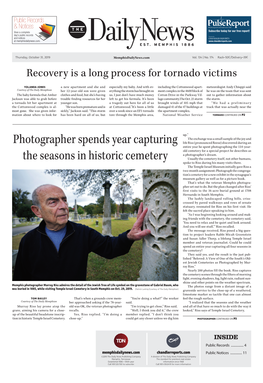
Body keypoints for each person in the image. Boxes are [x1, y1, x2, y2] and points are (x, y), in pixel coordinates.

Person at [13, 184, 151, 281]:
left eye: (64, 200)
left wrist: (129, 237)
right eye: (53, 202)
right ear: (37, 211)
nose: (64, 206)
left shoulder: (82, 233)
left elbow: (110, 248)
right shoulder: (29, 240)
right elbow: (20, 277)